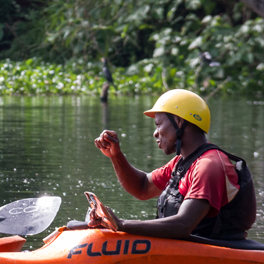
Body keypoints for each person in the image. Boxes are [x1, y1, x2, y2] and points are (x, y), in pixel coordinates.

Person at [93, 89, 255, 240]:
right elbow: (142, 187)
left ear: (178, 121)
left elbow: (183, 225)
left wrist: (120, 224)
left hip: (213, 253)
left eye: (158, 124)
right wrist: (116, 156)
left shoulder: (208, 165)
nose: (155, 133)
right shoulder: (182, 162)